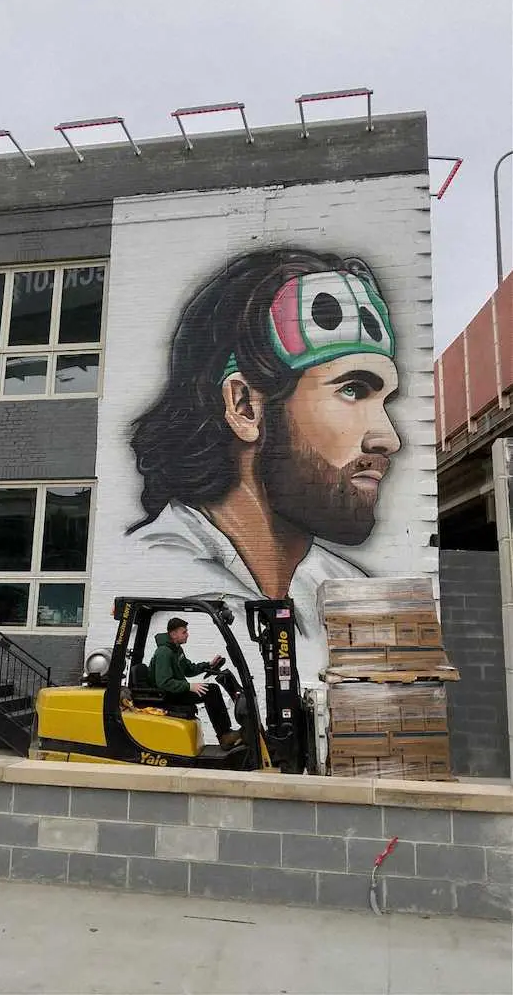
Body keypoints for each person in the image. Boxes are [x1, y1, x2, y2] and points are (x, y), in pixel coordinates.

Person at [127, 248, 401, 675]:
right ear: (244, 406)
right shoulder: (160, 578)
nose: (390, 439)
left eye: (384, 400)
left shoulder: (342, 589)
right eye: (352, 390)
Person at [149, 618, 242, 750]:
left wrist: (208, 665)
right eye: (184, 632)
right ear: (173, 634)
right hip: (167, 695)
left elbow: (188, 669)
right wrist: (189, 686)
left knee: (212, 689)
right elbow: (164, 682)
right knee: (210, 691)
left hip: (175, 691)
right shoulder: (164, 652)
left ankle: (225, 733)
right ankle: (224, 735)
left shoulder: (176, 649)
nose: (187, 635)